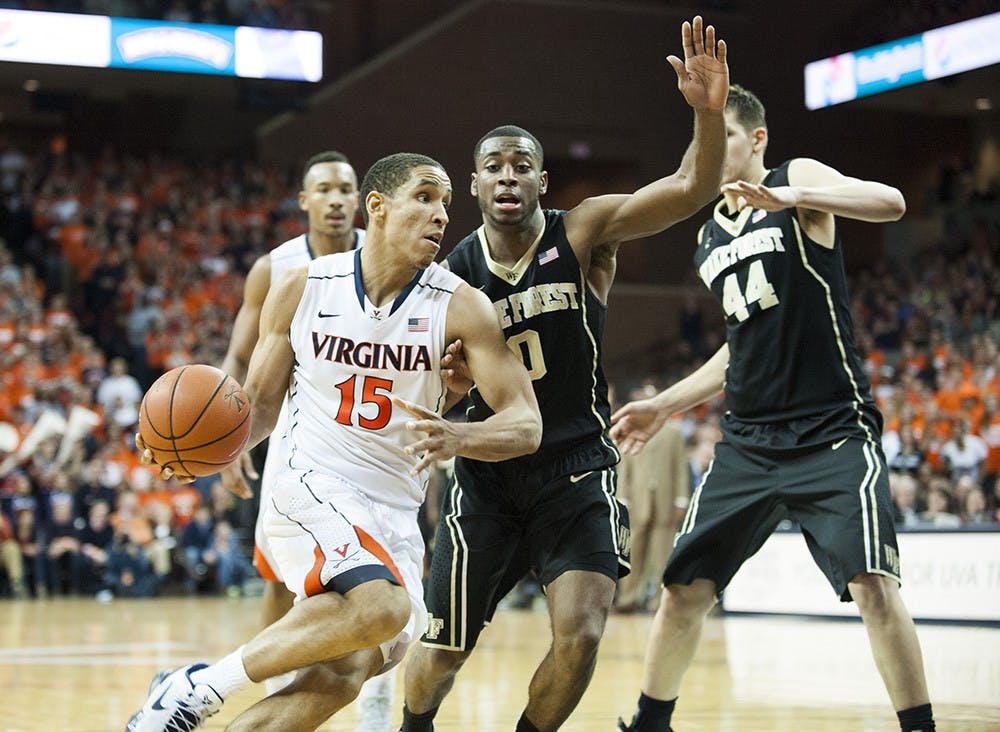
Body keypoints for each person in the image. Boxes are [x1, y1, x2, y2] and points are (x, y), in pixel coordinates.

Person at [125, 152, 542, 732]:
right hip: (309, 485)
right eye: (424, 198)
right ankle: (197, 688)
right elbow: (259, 406)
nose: (442, 214)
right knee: (383, 606)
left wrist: (458, 432)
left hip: (393, 510)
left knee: (342, 675)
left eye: (447, 202)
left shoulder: (460, 305)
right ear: (378, 207)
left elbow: (526, 423)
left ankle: (189, 703)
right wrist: (195, 454)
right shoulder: (300, 286)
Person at [400, 16, 728, 732]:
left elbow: (688, 188)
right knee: (444, 648)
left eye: (522, 165)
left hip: (575, 467)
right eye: (495, 165)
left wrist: (707, 117)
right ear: (476, 181)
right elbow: (431, 381)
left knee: (580, 636)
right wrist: (449, 396)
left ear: (541, 180)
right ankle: (414, 725)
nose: (509, 175)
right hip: (488, 475)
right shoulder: (448, 274)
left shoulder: (581, 231)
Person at [611, 84, 935, 732]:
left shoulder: (798, 180)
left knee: (873, 585)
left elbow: (891, 202)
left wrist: (796, 197)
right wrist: (665, 404)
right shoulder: (708, 239)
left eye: (724, 133)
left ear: (755, 140)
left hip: (831, 431)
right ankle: (649, 724)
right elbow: (740, 345)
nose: (711, 147)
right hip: (750, 442)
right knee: (683, 591)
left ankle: (920, 727)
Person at [217, 149, 366, 694]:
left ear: (362, 199)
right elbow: (238, 357)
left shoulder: (385, 257)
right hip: (295, 433)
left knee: (386, 581)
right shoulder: (275, 268)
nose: (335, 199)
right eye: (323, 188)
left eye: (345, 188)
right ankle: (272, 697)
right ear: (304, 200)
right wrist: (230, 439)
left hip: (371, 433)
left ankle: (372, 710)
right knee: (280, 573)